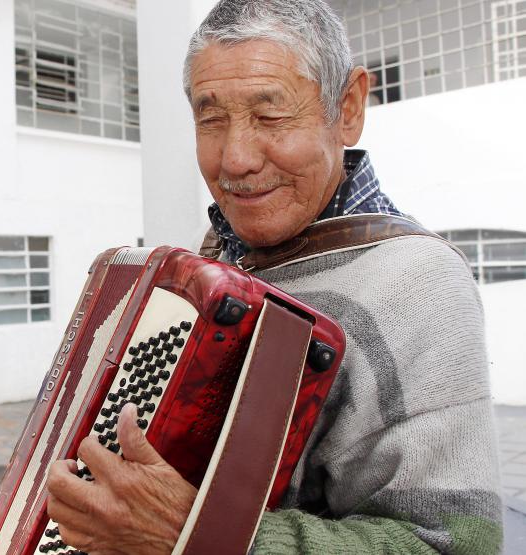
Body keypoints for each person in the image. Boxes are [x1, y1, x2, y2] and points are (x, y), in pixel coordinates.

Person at [44, 1, 503, 554]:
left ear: (349, 107)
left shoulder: (417, 283)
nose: (235, 159)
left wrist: (194, 535)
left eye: (271, 116)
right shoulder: (212, 255)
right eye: (211, 119)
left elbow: (455, 546)